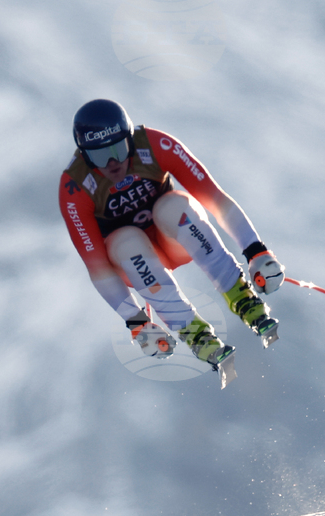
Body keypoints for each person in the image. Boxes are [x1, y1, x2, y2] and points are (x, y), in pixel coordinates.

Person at [59, 99, 285, 386]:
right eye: (99, 157)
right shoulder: (74, 186)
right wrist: (137, 322)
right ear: (83, 156)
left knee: (173, 207)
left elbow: (214, 199)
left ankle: (243, 298)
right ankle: (195, 334)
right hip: (134, 262)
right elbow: (98, 267)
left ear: (130, 139)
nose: (112, 163)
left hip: (175, 238)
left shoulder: (155, 145)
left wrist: (257, 251)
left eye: (117, 150)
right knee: (126, 240)